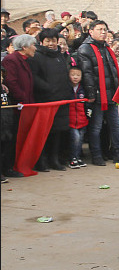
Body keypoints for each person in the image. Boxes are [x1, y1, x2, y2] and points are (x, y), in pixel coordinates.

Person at [77, 20, 119, 166]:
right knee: (96, 127)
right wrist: (92, 94)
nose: (103, 32)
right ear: (91, 31)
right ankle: (96, 155)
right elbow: (87, 74)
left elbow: (113, 71)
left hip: (111, 94)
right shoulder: (85, 49)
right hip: (98, 95)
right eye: (100, 29)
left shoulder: (107, 48)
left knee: (116, 125)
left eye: (105, 29)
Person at [29, 28, 74, 171]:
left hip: (61, 100)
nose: (51, 44)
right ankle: (41, 161)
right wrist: (48, 87)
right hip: (45, 100)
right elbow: (34, 77)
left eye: (53, 41)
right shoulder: (36, 56)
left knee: (58, 132)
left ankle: (54, 159)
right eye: (47, 41)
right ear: (41, 42)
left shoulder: (60, 55)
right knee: (44, 132)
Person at [2, 34, 36, 177]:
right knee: (9, 139)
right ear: (24, 47)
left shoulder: (25, 60)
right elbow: (12, 83)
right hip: (16, 106)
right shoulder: (11, 60)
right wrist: (22, 99)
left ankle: (12, 166)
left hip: (25, 105)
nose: (35, 48)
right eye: (33, 45)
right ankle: (7, 168)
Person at [67, 64, 89, 168]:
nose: (75, 77)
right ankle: (72, 158)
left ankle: (78, 157)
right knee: (75, 138)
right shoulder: (67, 89)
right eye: (73, 75)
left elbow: (87, 106)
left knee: (80, 139)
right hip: (71, 120)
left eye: (78, 75)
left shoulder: (83, 89)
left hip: (82, 119)